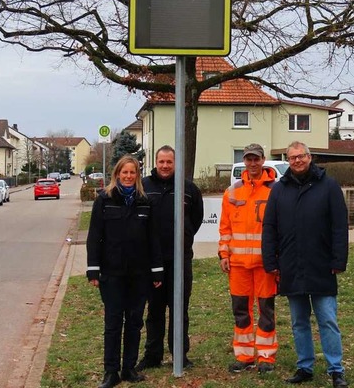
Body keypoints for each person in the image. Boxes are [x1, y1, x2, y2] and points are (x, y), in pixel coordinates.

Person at [262, 141, 350, 387]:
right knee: (299, 322)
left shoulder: (329, 186)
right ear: (287, 161)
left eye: (301, 156)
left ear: (310, 157)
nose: (297, 161)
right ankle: (305, 366)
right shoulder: (279, 189)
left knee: (327, 320)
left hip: (322, 265)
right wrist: (270, 261)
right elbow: (269, 227)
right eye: (292, 158)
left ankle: (336, 369)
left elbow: (339, 226)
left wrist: (338, 260)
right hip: (290, 265)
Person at [86, 155, 164, 388]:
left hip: (139, 274)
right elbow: (94, 237)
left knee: (134, 322)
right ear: (117, 174)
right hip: (112, 274)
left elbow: (153, 239)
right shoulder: (104, 200)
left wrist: (157, 271)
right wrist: (93, 269)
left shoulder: (144, 202)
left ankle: (128, 368)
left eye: (133, 173)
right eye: (125, 172)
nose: (128, 176)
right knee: (112, 323)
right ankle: (111, 372)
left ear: (137, 176)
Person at [136, 145, 204, 371]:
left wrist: (183, 240)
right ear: (156, 162)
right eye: (161, 162)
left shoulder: (188, 189)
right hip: (152, 261)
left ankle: (179, 355)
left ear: (176, 163)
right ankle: (152, 355)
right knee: (154, 309)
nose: (165, 166)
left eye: (169, 162)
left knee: (179, 309)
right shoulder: (144, 187)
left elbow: (196, 220)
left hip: (180, 260)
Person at [218, 143, 278, 375]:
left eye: (256, 159)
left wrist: (277, 260)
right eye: (249, 159)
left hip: (265, 266)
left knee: (266, 311)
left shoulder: (275, 191)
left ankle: (266, 356)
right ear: (244, 161)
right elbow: (225, 228)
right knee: (241, 311)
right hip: (238, 266)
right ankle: (243, 355)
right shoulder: (232, 192)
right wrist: (224, 254)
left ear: (263, 160)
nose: (252, 163)